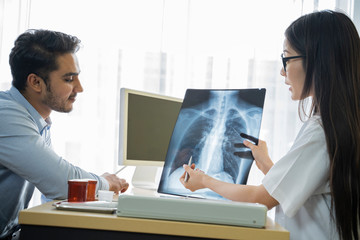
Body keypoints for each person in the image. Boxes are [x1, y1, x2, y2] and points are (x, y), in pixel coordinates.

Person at [180, 10, 360, 240]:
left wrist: (203, 180)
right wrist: (266, 165)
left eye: (287, 58)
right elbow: (300, 187)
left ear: (318, 61)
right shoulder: (341, 125)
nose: (282, 70)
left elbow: (262, 197)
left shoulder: (322, 131)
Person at [0, 29, 129, 239]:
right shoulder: (6, 115)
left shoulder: (35, 120)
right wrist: (105, 183)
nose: (80, 88)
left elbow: (50, 187)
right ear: (35, 82)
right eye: (69, 79)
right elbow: (62, 182)